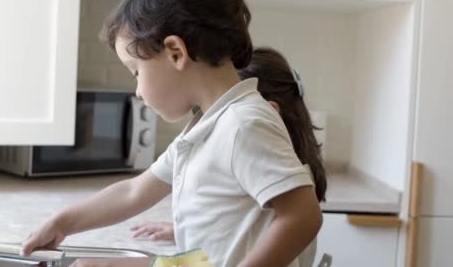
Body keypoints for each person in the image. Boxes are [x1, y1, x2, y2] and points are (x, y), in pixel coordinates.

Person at [22, 0, 322, 267]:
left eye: (136, 72)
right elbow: (133, 192)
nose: (137, 90)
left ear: (176, 52)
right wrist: (63, 223)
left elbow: (303, 216)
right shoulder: (205, 128)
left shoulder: (243, 124)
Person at [131, 47, 328, 251]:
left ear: (266, 111)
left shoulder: (247, 129)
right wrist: (189, 231)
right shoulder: (285, 165)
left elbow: (293, 223)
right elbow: (245, 225)